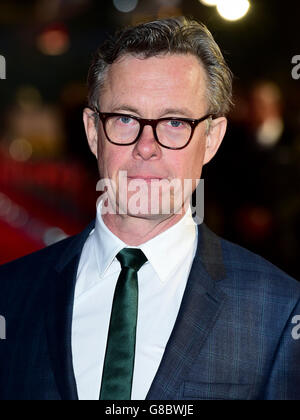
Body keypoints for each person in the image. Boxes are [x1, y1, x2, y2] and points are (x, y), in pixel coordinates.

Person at [0, 17, 299, 401]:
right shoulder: (11, 295)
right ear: (93, 131)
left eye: (175, 122)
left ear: (211, 139)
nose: (146, 146)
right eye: (125, 119)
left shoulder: (278, 311)